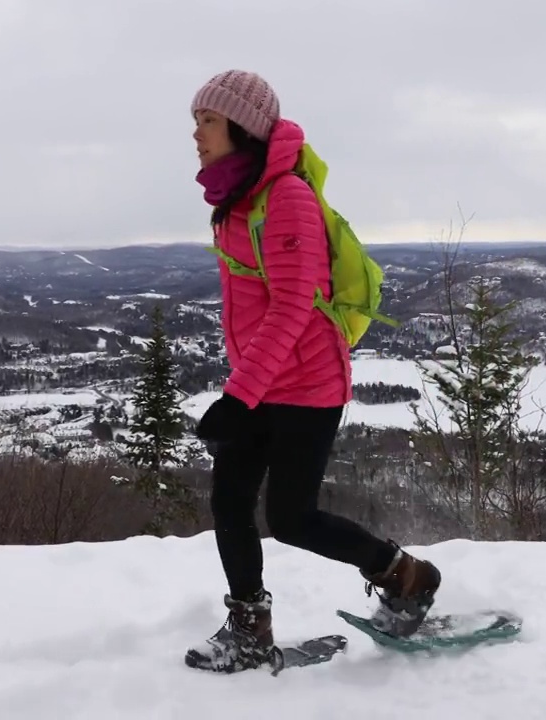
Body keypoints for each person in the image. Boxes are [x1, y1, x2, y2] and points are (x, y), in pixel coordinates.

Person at [183, 68, 441, 674]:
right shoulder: (233, 200)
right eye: (195, 122)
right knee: (229, 501)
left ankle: (407, 576)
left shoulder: (287, 196)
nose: (196, 135)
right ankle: (249, 627)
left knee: (292, 518)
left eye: (208, 122)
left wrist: (238, 395)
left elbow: (296, 304)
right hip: (260, 382)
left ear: (242, 128)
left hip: (307, 386)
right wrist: (244, 388)